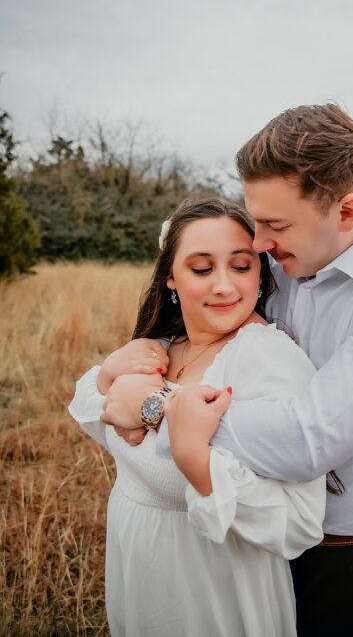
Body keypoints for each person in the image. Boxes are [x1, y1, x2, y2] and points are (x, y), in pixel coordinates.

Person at [100, 103, 353, 636]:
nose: (259, 244)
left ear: (346, 210)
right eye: (255, 221)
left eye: (274, 224)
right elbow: (196, 325)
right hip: (254, 551)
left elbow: (305, 439)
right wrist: (119, 367)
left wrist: (160, 405)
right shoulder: (283, 257)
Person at [68, 197, 326, 637]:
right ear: (171, 276)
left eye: (242, 266)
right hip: (138, 571)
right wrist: (112, 371)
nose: (224, 286)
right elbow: (90, 406)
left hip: (214, 589)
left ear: (261, 272)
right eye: (202, 269)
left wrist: (173, 432)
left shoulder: (267, 357)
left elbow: (301, 521)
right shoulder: (162, 345)